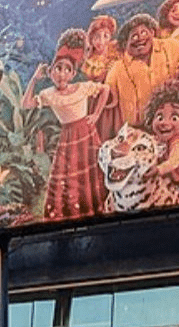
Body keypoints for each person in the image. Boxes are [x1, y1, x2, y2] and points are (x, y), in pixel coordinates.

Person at [22, 28, 109, 220]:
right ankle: (71, 212)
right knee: (68, 177)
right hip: (68, 139)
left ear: (73, 73)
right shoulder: (49, 94)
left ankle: (95, 207)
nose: (62, 74)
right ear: (50, 72)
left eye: (67, 69)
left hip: (87, 134)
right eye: (58, 68)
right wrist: (34, 80)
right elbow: (26, 104)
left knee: (91, 172)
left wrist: (96, 114)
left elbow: (105, 89)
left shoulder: (81, 88)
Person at [105, 13, 179, 129]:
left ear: (152, 32)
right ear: (125, 43)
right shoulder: (117, 69)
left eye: (144, 32)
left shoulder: (172, 46)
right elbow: (107, 98)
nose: (140, 38)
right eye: (134, 36)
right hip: (140, 129)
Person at [144, 79, 179, 181]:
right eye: (160, 117)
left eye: (174, 118)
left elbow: (174, 160)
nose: (165, 123)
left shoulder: (176, 142)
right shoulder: (160, 138)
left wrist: (158, 169)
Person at [81, 15, 118, 83]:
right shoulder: (89, 60)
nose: (101, 41)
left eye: (105, 36)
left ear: (110, 37)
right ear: (91, 38)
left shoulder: (115, 48)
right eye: (97, 36)